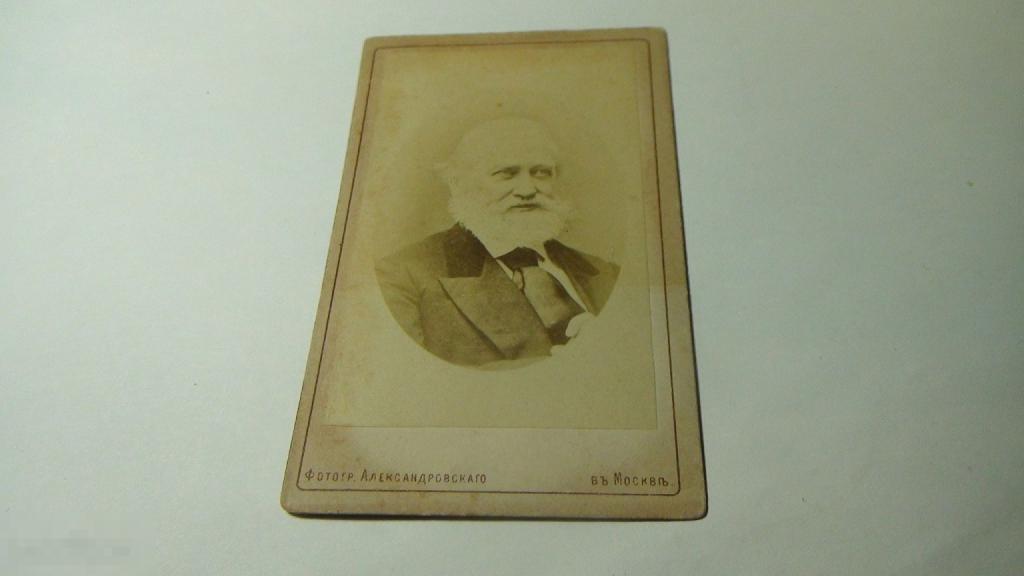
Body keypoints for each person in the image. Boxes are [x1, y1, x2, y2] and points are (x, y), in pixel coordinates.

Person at [375, 117, 619, 366]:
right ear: (458, 184)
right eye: (505, 174)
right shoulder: (402, 277)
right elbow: (411, 374)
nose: (527, 190)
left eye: (541, 173)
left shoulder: (606, 274)